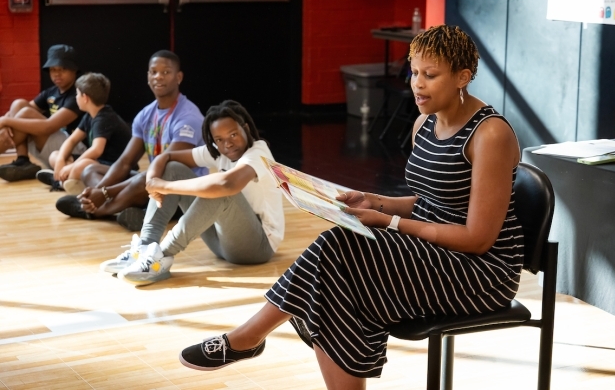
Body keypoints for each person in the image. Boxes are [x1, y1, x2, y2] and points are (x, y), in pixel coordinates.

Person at [176, 25, 524, 389]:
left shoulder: (490, 134)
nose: (417, 84)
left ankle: (248, 338)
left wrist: (388, 221)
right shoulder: (425, 122)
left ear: (462, 77)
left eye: (430, 75)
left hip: (480, 273)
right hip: (435, 251)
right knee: (334, 277)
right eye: (414, 72)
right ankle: (249, 339)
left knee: (338, 252)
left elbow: (478, 238)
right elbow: (434, 200)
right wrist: (375, 200)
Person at [99, 100, 284, 286]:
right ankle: (145, 247)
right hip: (222, 242)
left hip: (257, 247)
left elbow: (227, 184)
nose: (227, 144)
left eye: (233, 134)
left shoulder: (259, 151)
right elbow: (166, 157)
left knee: (221, 189)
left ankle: (161, 256)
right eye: (219, 139)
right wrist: (152, 182)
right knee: (172, 168)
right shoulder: (220, 152)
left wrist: (166, 187)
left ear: (246, 128)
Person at [55, 50, 207, 231]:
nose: (158, 77)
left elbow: (164, 169)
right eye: (153, 72)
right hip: (154, 185)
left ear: (178, 77)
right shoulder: (145, 115)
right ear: (148, 76)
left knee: (148, 177)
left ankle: (98, 211)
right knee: (91, 169)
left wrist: (104, 194)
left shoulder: (188, 117)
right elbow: (126, 162)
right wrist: (98, 191)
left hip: (183, 191)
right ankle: (124, 208)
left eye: (166, 72)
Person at [36, 72, 133, 194]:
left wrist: (71, 166)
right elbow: (71, 140)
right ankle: (67, 180)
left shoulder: (104, 117)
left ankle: (62, 182)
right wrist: (61, 160)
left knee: (82, 165)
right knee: (54, 155)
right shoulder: (89, 115)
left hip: (115, 168)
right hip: (99, 163)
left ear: (85, 98)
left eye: (77, 94)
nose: (76, 97)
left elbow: (97, 150)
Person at [0, 44, 86, 182]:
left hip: (72, 151)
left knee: (25, 114)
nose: (57, 74)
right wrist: (5, 124)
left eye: (62, 69)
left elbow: (49, 126)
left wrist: (4, 121)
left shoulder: (78, 94)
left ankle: (23, 161)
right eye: (53, 69)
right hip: (53, 147)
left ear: (74, 70)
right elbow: (17, 111)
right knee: (19, 104)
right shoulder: (51, 92)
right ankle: (23, 160)